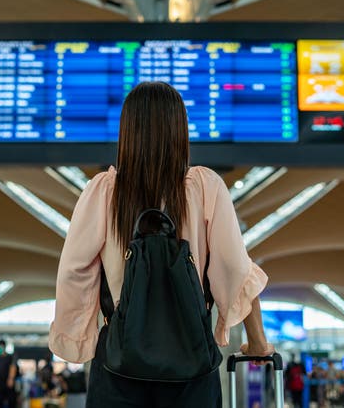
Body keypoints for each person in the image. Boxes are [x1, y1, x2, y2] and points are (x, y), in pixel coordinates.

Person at [49, 81, 274, 407]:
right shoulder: (204, 187)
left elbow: (75, 272)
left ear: (127, 131)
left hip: (118, 364)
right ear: (179, 129)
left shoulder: (104, 192)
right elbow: (236, 270)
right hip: (191, 365)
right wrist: (257, 342)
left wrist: (77, 340)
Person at [0, 340, 17, 408]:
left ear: (4, 346)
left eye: (1, 346)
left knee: (11, 401)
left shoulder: (9, 357)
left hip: (8, 383)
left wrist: (11, 379)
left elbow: (13, 367)